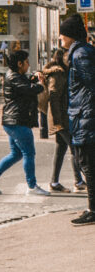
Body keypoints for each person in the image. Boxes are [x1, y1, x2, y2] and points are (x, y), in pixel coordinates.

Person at [0, 48, 49, 196]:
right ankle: (32, 186)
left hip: (12, 120)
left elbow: (26, 82)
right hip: (17, 120)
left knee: (16, 153)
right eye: (26, 62)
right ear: (19, 64)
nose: (28, 65)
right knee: (29, 153)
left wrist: (34, 77)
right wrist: (41, 85)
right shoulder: (14, 78)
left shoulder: (15, 75)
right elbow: (28, 89)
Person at [59, 13, 95, 225]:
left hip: (86, 115)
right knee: (87, 164)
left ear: (71, 35)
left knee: (88, 165)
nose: (61, 39)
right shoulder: (81, 52)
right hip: (84, 114)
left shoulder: (80, 55)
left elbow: (91, 83)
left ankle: (93, 210)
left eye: (63, 34)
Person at [41, 47, 85, 192]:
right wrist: (57, 122)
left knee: (61, 149)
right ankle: (78, 181)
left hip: (63, 117)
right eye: (68, 56)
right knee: (75, 148)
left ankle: (54, 183)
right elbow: (53, 97)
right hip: (59, 119)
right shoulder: (58, 73)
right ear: (61, 57)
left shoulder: (63, 72)